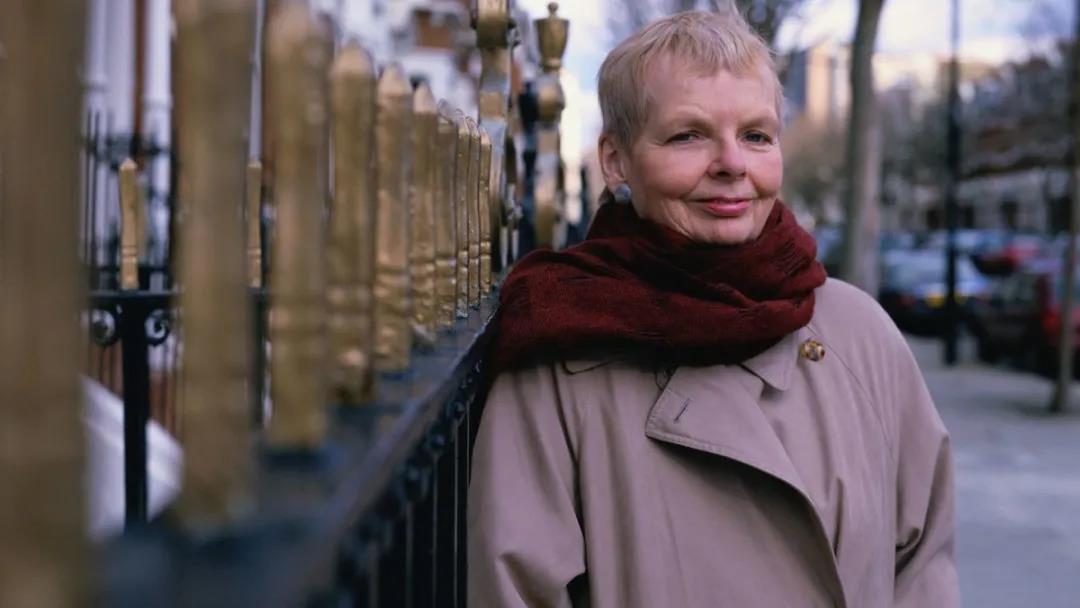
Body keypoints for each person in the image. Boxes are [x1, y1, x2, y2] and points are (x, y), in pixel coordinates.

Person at [469, 9, 959, 608]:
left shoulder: (859, 333)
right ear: (616, 160)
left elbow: (923, 561)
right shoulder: (558, 352)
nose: (732, 163)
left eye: (756, 135)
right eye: (688, 135)